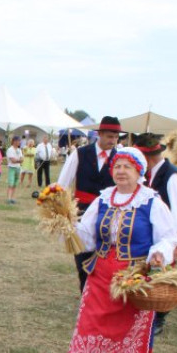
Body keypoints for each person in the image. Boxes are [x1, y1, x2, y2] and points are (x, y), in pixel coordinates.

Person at [63, 147, 177, 353]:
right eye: (117, 166)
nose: (121, 171)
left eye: (127, 166)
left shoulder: (151, 201)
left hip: (134, 277)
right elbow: (87, 235)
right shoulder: (103, 200)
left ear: (139, 172)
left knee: (130, 329)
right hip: (101, 272)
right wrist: (67, 227)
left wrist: (159, 255)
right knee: (89, 324)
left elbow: (168, 237)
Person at [134, 132, 177, 335]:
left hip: (171, 238)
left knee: (163, 278)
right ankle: (146, 314)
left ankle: (159, 319)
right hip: (153, 235)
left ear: (148, 157)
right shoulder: (148, 176)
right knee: (150, 274)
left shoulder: (172, 176)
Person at [57, 115, 121, 291]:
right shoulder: (80, 153)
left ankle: (97, 292)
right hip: (81, 212)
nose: (113, 140)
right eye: (109, 136)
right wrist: (61, 208)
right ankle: (85, 290)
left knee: (103, 257)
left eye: (116, 137)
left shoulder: (120, 159)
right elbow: (63, 183)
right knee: (82, 255)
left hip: (108, 213)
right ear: (99, 134)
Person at [5, 136, 23, 203]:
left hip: (18, 168)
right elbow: (12, 160)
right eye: (18, 141)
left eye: (19, 141)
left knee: (15, 184)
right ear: (14, 141)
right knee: (11, 184)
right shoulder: (10, 149)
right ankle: (8, 199)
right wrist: (19, 160)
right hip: (12, 168)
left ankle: (12, 198)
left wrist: (18, 160)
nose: (19, 142)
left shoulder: (19, 150)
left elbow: (22, 159)